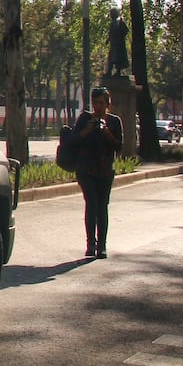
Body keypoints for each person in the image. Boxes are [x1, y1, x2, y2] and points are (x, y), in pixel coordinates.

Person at [73, 85, 123, 258]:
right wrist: (86, 130)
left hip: (105, 171)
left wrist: (107, 133)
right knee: (91, 204)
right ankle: (90, 244)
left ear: (108, 104)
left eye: (101, 103)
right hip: (86, 171)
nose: (98, 107)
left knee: (102, 207)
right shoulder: (84, 119)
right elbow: (73, 141)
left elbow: (119, 147)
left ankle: (102, 246)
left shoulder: (114, 121)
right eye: (95, 103)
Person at [107, 6, 129, 76]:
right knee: (111, 58)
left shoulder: (120, 22)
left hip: (118, 44)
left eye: (112, 14)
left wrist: (119, 35)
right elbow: (111, 33)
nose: (110, 15)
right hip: (113, 44)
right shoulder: (112, 23)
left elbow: (125, 31)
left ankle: (117, 71)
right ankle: (109, 71)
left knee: (117, 58)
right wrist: (108, 39)